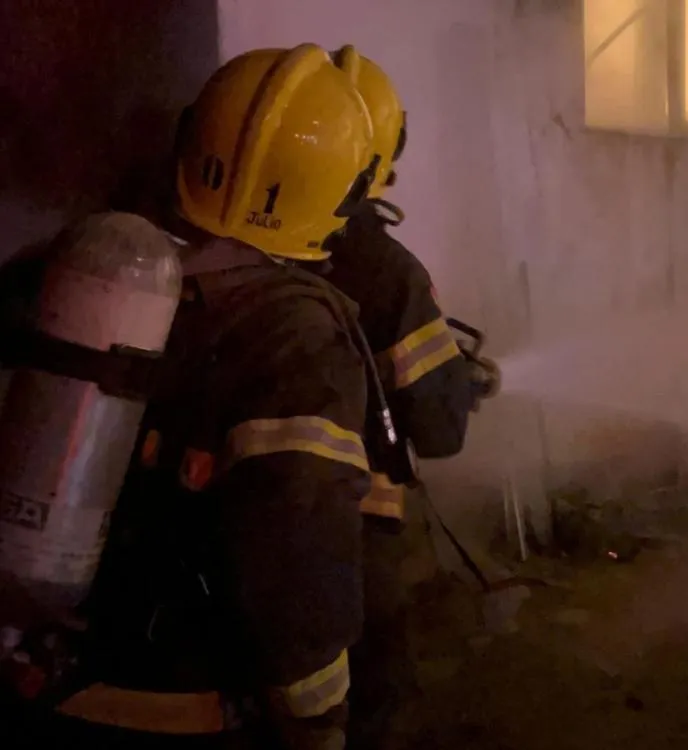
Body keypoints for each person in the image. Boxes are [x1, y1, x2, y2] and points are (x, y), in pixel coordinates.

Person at [2, 43, 380, 750]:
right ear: (340, 197)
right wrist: (318, 726)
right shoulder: (297, 340)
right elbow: (297, 570)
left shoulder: (68, 269)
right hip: (175, 709)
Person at [316, 47, 479, 750]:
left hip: (239, 525)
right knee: (369, 692)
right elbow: (438, 429)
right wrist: (461, 386)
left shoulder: (241, 255)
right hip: (354, 532)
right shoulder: (387, 272)